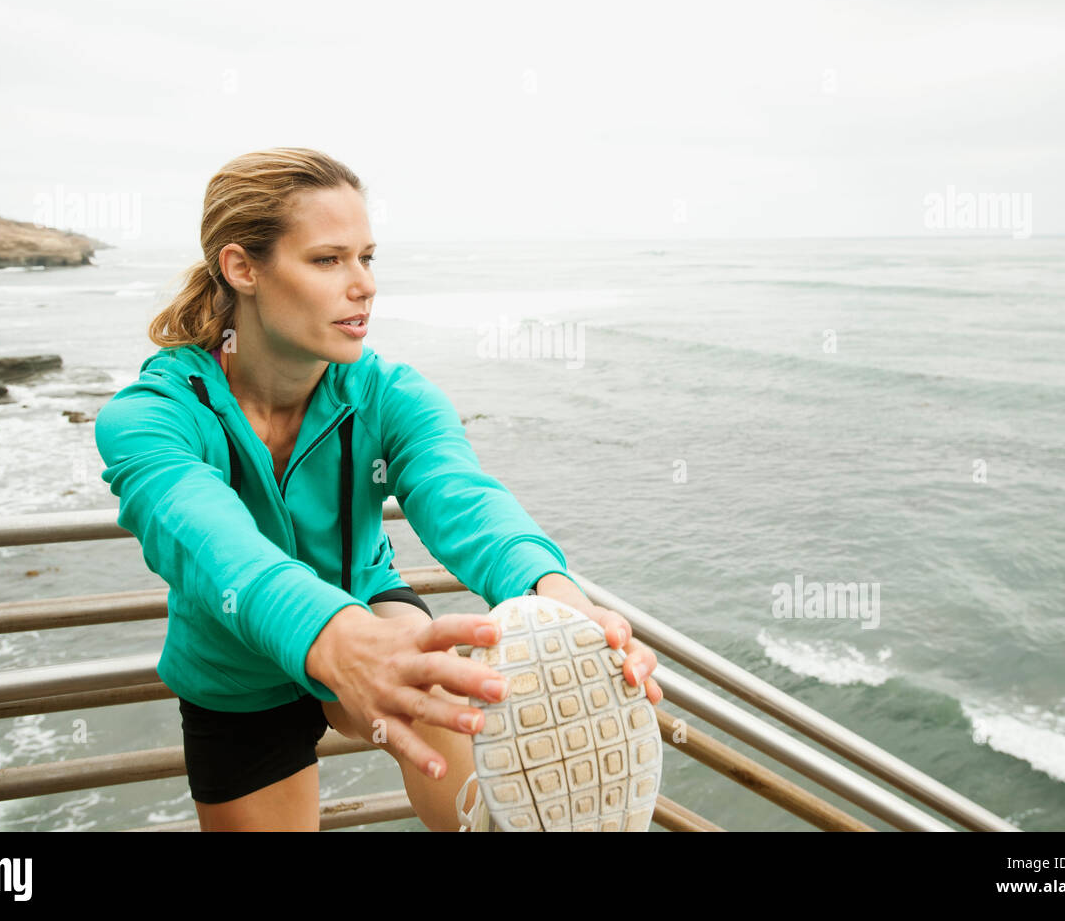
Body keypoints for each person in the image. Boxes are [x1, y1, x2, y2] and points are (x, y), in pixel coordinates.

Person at [94, 147, 661, 831]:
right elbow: (212, 542)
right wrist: (335, 639)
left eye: (367, 257)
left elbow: (461, 497)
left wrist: (557, 597)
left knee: (437, 692)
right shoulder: (152, 416)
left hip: (370, 601)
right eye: (328, 259)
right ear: (242, 268)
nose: (362, 285)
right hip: (236, 664)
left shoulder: (390, 393)